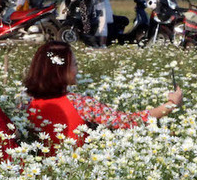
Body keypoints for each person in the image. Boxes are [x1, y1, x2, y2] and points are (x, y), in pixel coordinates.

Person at [23, 41, 181, 155]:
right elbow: (128, 122)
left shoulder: (25, 105)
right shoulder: (80, 103)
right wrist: (170, 104)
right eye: (75, 65)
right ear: (61, 70)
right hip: (75, 177)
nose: (77, 70)